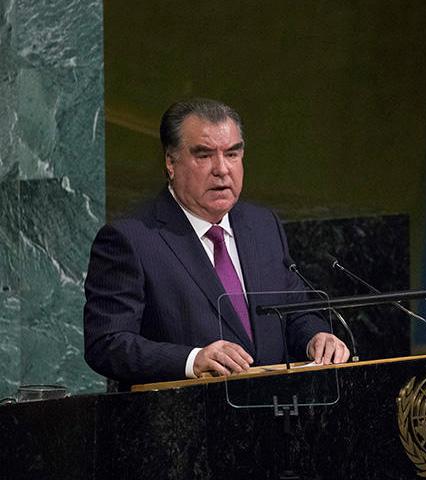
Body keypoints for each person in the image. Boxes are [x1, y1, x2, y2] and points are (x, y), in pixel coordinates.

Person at [84, 98, 349, 386]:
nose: (222, 169)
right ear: (171, 163)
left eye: (232, 154)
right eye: (204, 155)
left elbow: (295, 311)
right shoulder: (131, 239)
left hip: (274, 416)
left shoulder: (262, 225)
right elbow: (106, 343)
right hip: (183, 420)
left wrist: (316, 337)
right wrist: (192, 360)